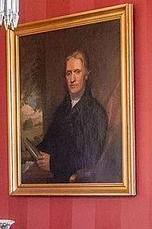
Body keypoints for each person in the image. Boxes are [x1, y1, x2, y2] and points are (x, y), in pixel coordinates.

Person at [26, 48, 109, 183]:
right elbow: (49, 143)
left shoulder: (96, 112)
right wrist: (29, 153)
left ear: (86, 74)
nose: (72, 79)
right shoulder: (62, 109)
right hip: (54, 180)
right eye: (68, 73)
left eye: (77, 72)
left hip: (77, 185)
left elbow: (90, 157)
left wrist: (53, 163)